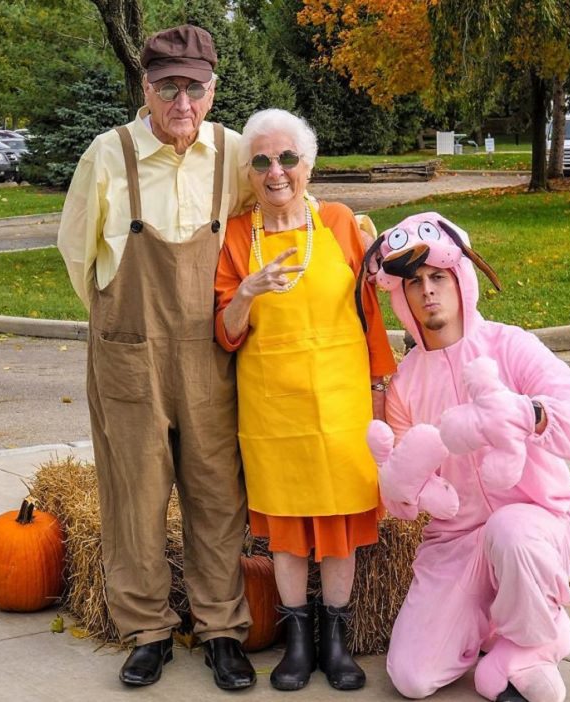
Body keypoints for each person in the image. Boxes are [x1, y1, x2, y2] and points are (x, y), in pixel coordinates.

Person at [57, 25, 257, 691]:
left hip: (208, 355)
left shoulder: (233, 154)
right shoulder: (107, 154)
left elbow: (273, 219)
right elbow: (76, 255)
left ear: (212, 89)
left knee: (216, 494)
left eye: (193, 87)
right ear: (145, 88)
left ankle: (223, 628)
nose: (181, 101)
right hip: (128, 353)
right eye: (166, 86)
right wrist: (119, 325)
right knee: (134, 496)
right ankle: (146, 632)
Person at [364, 212, 570, 702]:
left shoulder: (510, 345)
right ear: (401, 298)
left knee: (511, 531)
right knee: (411, 677)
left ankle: (535, 645)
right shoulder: (405, 385)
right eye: (415, 283)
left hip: (540, 520)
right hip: (455, 543)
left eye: (438, 277)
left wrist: (527, 413)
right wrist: (401, 488)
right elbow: (409, 487)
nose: (428, 291)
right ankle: (511, 627)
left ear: (460, 279)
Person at [214, 109, 396, 691]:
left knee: (341, 522)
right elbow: (226, 332)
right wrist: (246, 291)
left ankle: (336, 641)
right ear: (248, 172)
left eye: (287, 158)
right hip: (275, 412)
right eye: (261, 160)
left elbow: (371, 317)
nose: (275, 172)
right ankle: (296, 643)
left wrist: (380, 392)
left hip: (342, 406)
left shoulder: (342, 223)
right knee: (289, 529)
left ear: (308, 165)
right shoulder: (239, 236)